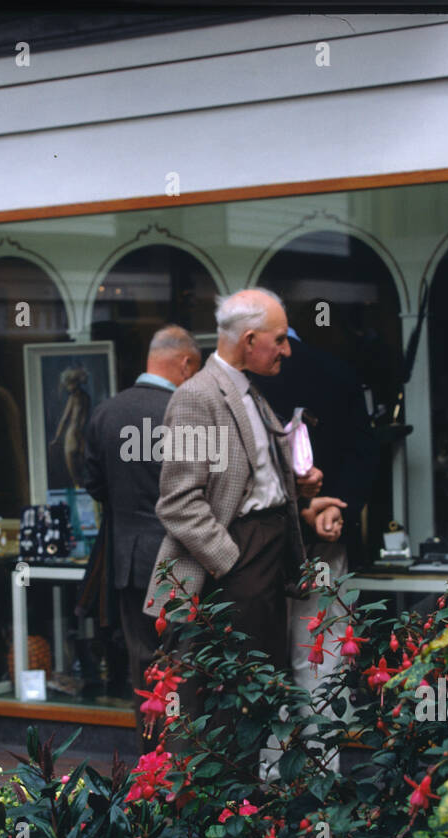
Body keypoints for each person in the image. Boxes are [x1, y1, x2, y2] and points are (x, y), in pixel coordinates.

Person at [145, 289, 342, 709]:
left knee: (257, 698)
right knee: (226, 707)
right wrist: (232, 564)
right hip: (236, 561)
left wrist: (304, 502)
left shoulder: (249, 391)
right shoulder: (196, 396)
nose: (287, 351)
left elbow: (255, 483)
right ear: (250, 341)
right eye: (280, 340)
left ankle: (255, 776)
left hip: (267, 556)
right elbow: (178, 502)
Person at [252, 327, 376, 772]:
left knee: (264, 659)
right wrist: (339, 508)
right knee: (319, 656)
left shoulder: (238, 379)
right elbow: (366, 450)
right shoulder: (336, 372)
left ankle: (270, 775)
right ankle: (323, 772)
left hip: (259, 548)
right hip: (324, 543)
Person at [82, 325, 201, 749]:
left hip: (130, 559)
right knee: (185, 663)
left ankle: (150, 760)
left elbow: (93, 484)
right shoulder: (187, 412)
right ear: (185, 364)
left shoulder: (106, 412)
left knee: (144, 663)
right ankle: (183, 765)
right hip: (185, 557)